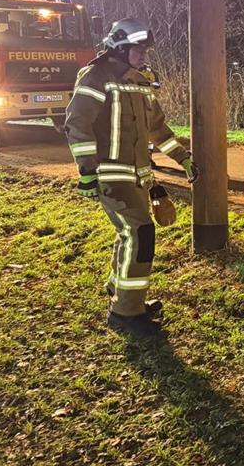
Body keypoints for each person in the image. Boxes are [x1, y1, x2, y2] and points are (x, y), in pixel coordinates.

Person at [64, 18, 198, 337]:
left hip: (138, 177)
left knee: (130, 234)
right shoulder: (96, 76)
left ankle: (122, 292)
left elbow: (157, 129)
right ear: (121, 47)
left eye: (144, 49)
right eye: (138, 48)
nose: (143, 54)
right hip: (111, 175)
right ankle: (125, 312)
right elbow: (77, 124)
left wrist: (184, 158)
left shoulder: (140, 81)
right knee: (140, 233)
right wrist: (87, 172)